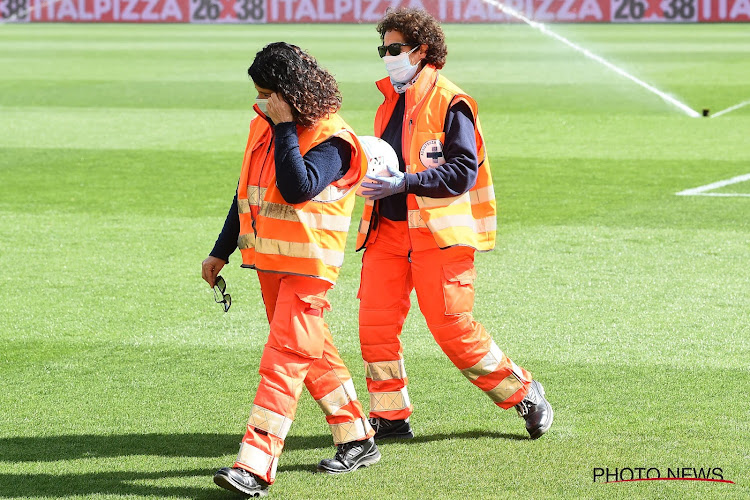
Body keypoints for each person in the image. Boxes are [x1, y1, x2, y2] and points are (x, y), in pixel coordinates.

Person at [356, 8, 553, 442]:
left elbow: (463, 171)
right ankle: (390, 417)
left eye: (394, 49)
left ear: (422, 50)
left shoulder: (451, 101)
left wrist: (403, 181)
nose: (387, 57)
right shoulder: (389, 101)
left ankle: (524, 392)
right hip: (386, 235)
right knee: (374, 329)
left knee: (453, 331)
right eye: (382, 49)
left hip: (437, 236)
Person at [202, 42, 379, 497]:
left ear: (286, 93)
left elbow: (296, 187)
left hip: (308, 270)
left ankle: (255, 465)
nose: (259, 102)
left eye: (265, 94)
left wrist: (283, 125)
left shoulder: (334, 140)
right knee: (310, 353)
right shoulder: (265, 126)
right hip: (269, 265)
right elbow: (245, 192)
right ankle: (357, 436)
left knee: (282, 362)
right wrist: (220, 251)